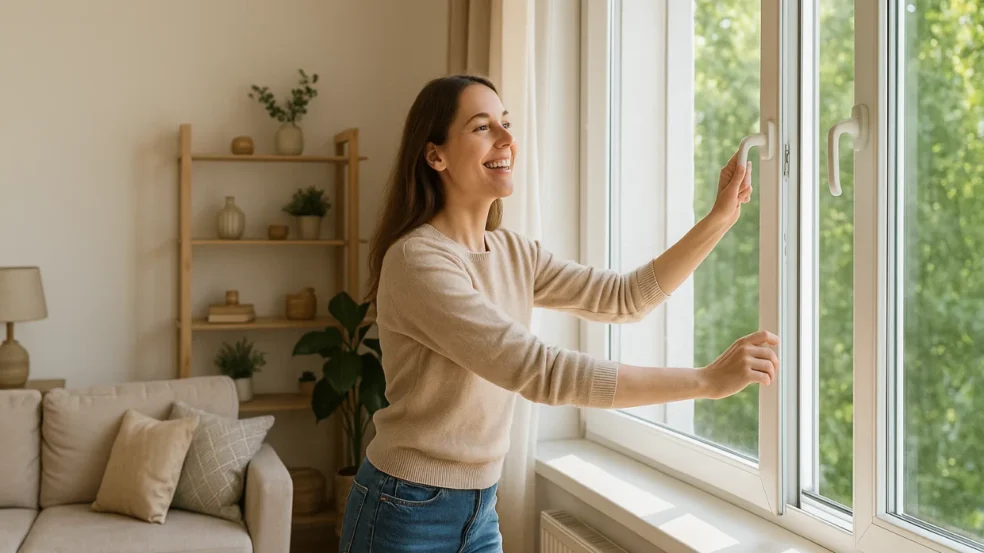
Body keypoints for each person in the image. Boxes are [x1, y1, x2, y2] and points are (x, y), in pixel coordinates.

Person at [338, 74, 780, 553]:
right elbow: (540, 371)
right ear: (435, 155)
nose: (508, 139)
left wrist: (718, 219)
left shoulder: (513, 252)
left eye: (506, 123)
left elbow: (624, 297)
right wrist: (704, 382)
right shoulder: (417, 260)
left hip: (480, 507)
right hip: (404, 510)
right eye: (483, 127)